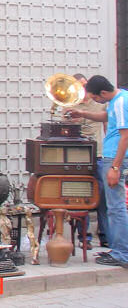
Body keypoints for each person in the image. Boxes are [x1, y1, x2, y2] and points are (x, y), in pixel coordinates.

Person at [66, 75, 128, 267]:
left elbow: (125, 136)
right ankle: (119, 249)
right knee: (114, 206)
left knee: (116, 207)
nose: (95, 102)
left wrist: (115, 167)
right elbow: (106, 116)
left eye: (95, 98)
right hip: (112, 158)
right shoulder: (119, 99)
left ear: (103, 93)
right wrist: (82, 114)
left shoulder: (119, 103)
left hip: (113, 158)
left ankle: (122, 253)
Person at [70, 73, 107, 248]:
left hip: (99, 153)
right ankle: (84, 237)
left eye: (85, 86)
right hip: (78, 156)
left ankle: (105, 235)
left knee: (103, 196)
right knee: (80, 196)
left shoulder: (100, 103)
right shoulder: (70, 103)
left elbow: (108, 127)